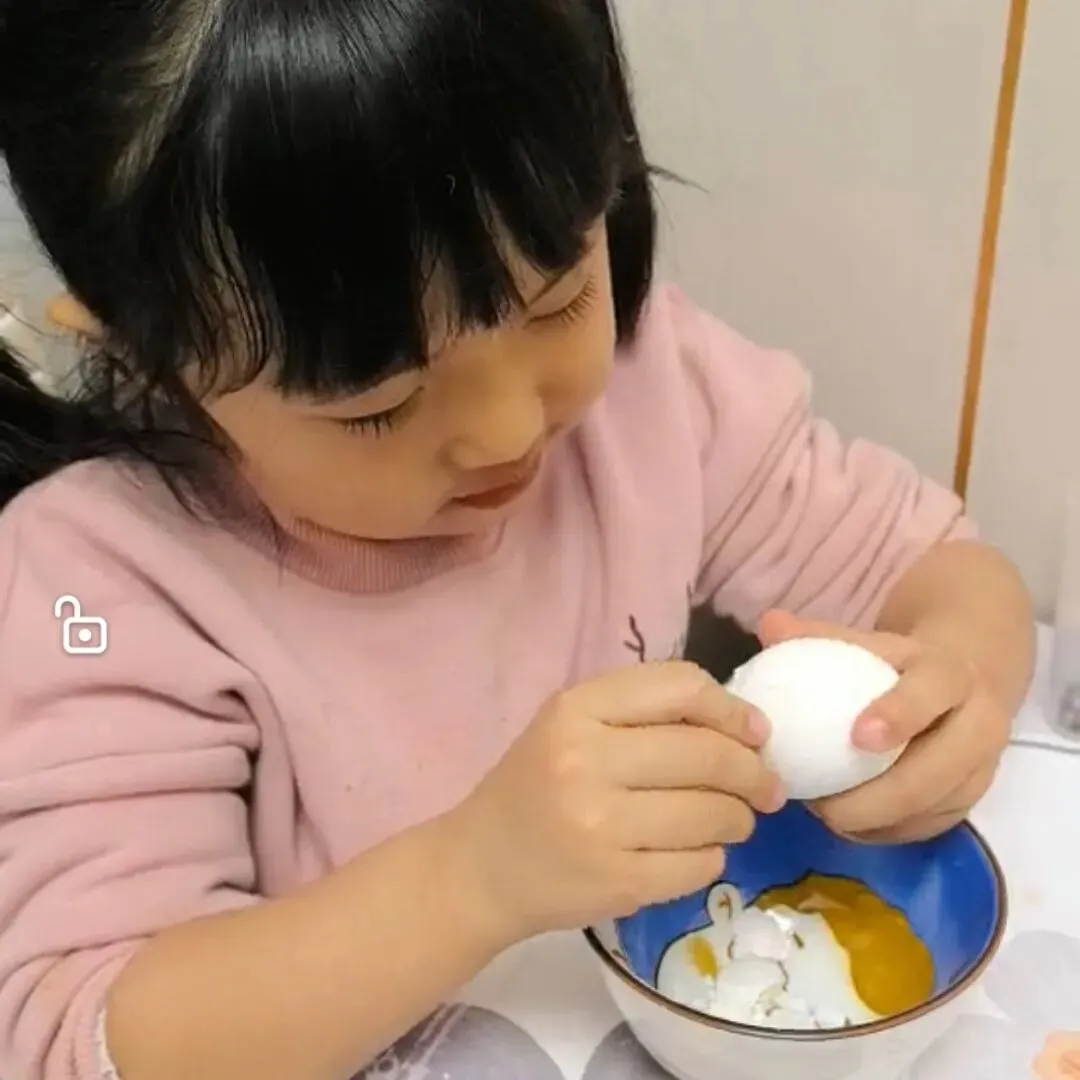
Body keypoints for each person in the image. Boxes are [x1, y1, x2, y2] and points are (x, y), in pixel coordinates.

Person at [0, 2, 1034, 1079]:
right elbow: (81, 1041)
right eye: (376, 406)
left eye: (555, 302)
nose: (507, 432)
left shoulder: (648, 393)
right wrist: (474, 879)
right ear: (146, 349)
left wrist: (953, 683)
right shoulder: (93, 594)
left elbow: (936, 567)